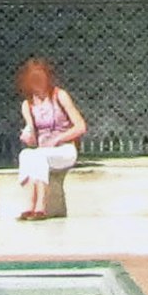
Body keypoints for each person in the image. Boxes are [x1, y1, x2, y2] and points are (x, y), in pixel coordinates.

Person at [13, 56, 87, 221]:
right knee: (25, 155)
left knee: (38, 156)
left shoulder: (59, 96)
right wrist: (28, 136)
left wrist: (59, 139)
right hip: (44, 150)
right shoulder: (28, 105)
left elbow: (80, 126)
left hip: (65, 150)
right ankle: (29, 204)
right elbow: (33, 137)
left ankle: (40, 206)